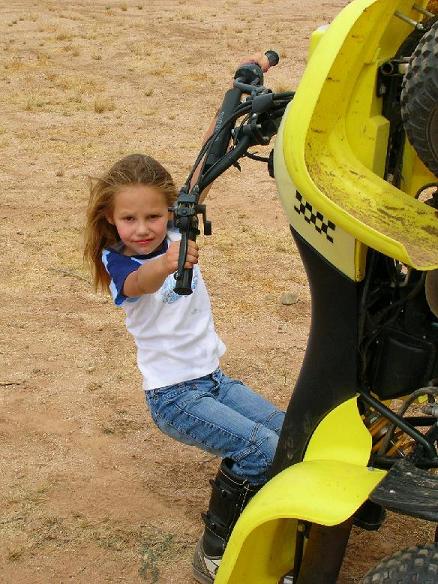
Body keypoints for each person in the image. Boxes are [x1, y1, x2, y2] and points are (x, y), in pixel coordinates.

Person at [84, 54, 285, 584]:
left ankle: (278, 526)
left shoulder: (178, 226)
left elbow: (205, 164)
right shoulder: (119, 261)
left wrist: (235, 100)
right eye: (129, 218)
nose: (144, 228)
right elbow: (140, 285)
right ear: (111, 219)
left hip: (214, 382)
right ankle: (216, 549)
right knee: (260, 451)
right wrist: (168, 262)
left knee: (288, 437)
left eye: (154, 215)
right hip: (175, 398)